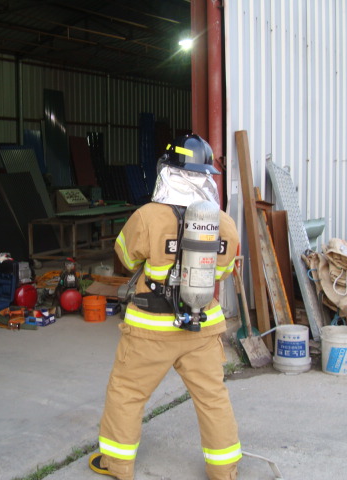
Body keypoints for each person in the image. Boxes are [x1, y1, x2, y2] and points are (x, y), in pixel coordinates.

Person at [89, 134, 242, 480]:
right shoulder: (224, 223)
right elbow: (224, 271)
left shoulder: (147, 217)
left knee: (127, 392)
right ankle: (224, 470)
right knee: (213, 398)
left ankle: (117, 464)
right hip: (202, 327)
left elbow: (126, 257)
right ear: (206, 176)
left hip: (151, 329)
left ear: (168, 171)